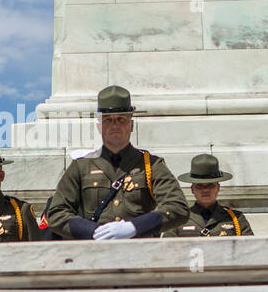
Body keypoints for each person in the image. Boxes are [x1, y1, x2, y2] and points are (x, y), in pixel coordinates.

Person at [46, 86, 189, 240]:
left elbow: (177, 207)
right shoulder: (81, 166)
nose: (115, 125)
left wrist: (134, 227)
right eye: (108, 120)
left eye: (121, 119)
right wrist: (92, 231)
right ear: (99, 126)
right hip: (95, 254)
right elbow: (56, 213)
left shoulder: (152, 165)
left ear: (131, 125)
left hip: (140, 254)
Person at [164, 153, 253, 237]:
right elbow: (166, 249)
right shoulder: (178, 219)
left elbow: (251, 247)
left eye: (211, 185)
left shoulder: (236, 219)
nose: (205, 190)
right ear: (192, 189)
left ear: (218, 188)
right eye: (199, 186)